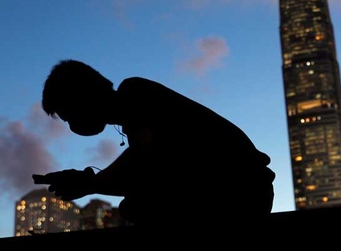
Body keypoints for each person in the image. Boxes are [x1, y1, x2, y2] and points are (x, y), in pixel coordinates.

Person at [33, 59, 276, 232]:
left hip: (239, 196)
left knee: (138, 207)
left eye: (68, 115)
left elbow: (144, 165)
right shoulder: (138, 120)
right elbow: (147, 171)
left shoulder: (136, 91)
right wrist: (91, 184)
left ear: (82, 97)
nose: (72, 125)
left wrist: (90, 183)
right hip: (239, 195)